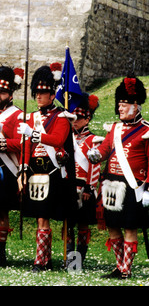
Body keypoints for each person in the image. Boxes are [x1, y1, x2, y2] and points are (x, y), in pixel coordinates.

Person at [17, 64, 78, 272]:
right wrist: (23, 169)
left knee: (48, 217)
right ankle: (43, 259)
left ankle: (44, 260)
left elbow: (58, 139)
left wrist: (34, 134)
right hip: (35, 172)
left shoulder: (62, 117)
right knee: (39, 217)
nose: (39, 97)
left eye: (43, 93)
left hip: (53, 173)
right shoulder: (32, 117)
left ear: (53, 95)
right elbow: (26, 147)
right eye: (37, 93)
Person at [87, 75, 149, 279]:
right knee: (113, 225)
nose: (120, 108)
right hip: (111, 185)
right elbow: (105, 149)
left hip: (133, 186)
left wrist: (148, 188)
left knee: (130, 227)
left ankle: (126, 269)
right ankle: (118, 265)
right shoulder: (114, 128)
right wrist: (96, 155)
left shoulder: (146, 130)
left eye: (125, 104)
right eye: (119, 104)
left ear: (137, 106)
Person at [0, 66, 24, 267]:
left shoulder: (18, 114)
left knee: (1, 211)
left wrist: (4, 144)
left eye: (2, 92)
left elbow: (23, 142)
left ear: (10, 94)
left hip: (6, 168)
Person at [66, 92, 103, 267]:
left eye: (79, 118)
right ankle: (69, 258)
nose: (75, 121)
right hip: (68, 186)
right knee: (68, 224)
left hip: (84, 188)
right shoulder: (68, 139)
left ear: (87, 119)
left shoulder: (93, 140)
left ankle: (78, 261)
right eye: (73, 118)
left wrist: (89, 188)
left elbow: (94, 166)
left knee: (82, 225)